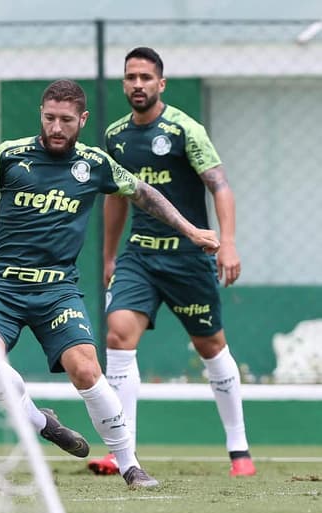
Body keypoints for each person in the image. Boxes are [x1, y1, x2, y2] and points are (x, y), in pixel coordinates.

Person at [0, 79, 221, 488]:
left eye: (66, 120)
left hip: (57, 292)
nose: (56, 127)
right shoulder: (9, 156)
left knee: (86, 369)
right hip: (1, 288)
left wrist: (191, 230)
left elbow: (144, 193)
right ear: (41, 114)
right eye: (50, 118)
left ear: (82, 119)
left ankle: (129, 465)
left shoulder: (95, 163)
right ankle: (41, 422)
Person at [87, 47, 255, 478]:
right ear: (123, 84)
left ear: (161, 84)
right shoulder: (115, 136)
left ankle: (239, 449)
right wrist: (109, 255)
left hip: (188, 259)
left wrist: (228, 243)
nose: (137, 84)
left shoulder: (184, 130)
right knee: (118, 335)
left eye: (145, 77)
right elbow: (116, 198)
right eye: (130, 77)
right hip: (140, 255)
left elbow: (220, 185)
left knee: (210, 346)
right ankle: (123, 452)